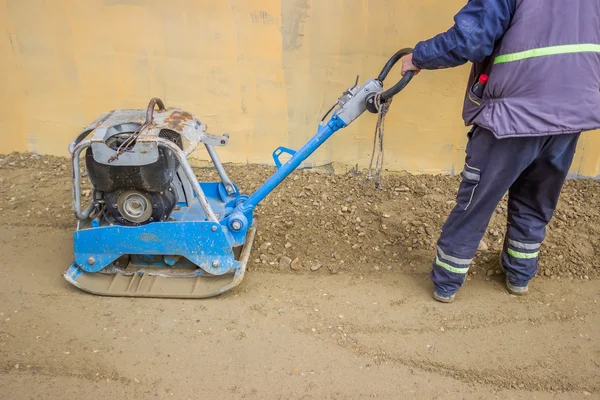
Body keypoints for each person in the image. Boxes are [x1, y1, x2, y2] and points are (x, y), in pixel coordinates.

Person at [401, 0, 600, 303]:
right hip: (570, 115)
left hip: (513, 114)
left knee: (476, 202)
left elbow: (471, 38)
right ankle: (519, 276)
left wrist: (419, 57)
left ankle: (447, 281)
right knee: (536, 199)